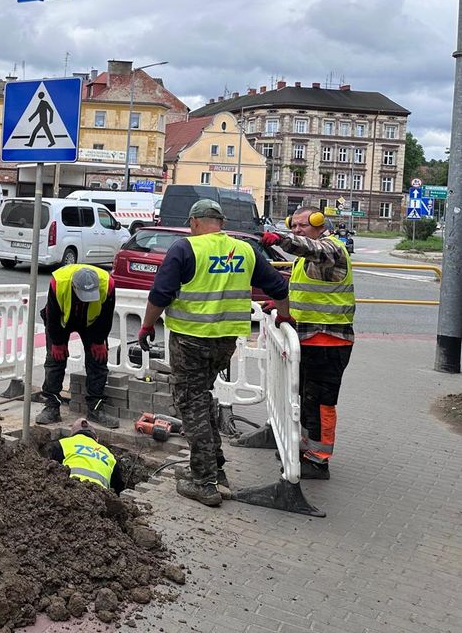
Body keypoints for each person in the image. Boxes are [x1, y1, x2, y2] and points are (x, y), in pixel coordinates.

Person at [137, 199, 291, 507]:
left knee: (190, 404)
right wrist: (284, 316)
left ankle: (204, 482)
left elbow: (160, 294)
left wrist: (146, 326)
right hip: (225, 342)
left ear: (194, 222)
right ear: (220, 223)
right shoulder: (245, 249)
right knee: (202, 398)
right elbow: (279, 287)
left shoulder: (185, 249)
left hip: (190, 341)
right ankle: (214, 469)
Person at [262, 207, 355, 480]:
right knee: (307, 399)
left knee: (323, 402)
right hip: (310, 338)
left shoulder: (331, 249)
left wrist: (281, 239)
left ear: (318, 223)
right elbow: (305, 292)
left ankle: (319, 459)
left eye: (303, 225)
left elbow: (312, 248)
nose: (297, 230)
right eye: (293, 226)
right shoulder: (306, 259)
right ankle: (306, 448)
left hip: (329, 340)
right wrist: (281, 306)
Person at [37, 263, 120, 429]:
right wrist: (57, 343)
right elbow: (52, 315)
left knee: (98, 360)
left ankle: (95, 409)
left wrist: (99, 340)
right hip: (61, 320)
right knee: (54, 360)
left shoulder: (107, 284)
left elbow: (106, 316)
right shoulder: (59, 282)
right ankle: (51, 406)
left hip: (92, 322)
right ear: (74, 286)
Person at [39, 418, 126, 493]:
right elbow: (118, 490)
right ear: (96, 439)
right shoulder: (109, 455)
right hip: (99, 497)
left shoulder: (64, 443)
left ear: (71, 435)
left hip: (69, 492)